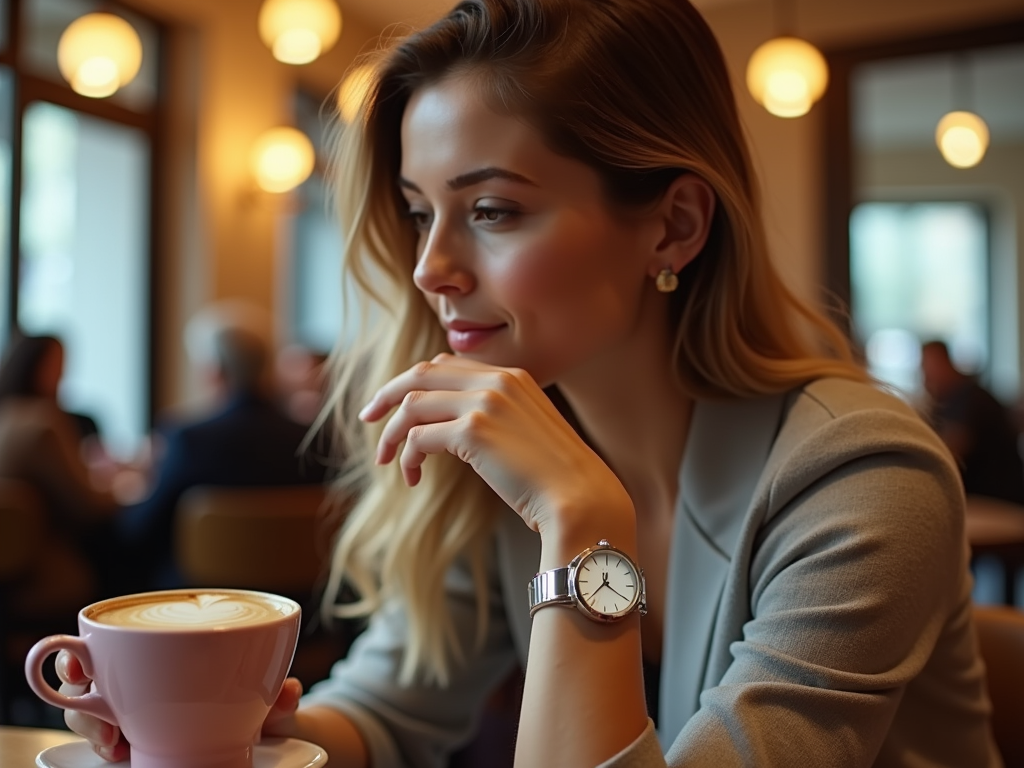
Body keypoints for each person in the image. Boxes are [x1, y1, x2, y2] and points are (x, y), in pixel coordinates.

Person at [58, 1, 999, 766]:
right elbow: (387, 711)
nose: (429, 267)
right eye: (420, 212)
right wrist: (229, 741)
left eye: (495, 210)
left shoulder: (866, 478)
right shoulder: (510, 444)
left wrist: (582, 517)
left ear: (672, 227)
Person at [116, 303, 328, 590]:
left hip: (200, 606)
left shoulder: (188, 439)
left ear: (212, 370)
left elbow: (138, 531)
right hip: (299, 604)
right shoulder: (315, 438)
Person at [0, 334, 117, 611]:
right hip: (39, 564)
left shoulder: (7, 417)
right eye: (57, 366)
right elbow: (89, 506)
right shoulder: (42, 424)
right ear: (35, 366)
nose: (63, 375)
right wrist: (126, 486)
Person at [920, 339, 1024, 505]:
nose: (923, 375)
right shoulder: (951, 400)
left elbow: (951, 454)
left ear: (942, 362)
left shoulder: (972, 400)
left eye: (926, 365)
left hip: (998, 502)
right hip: (982, 498)